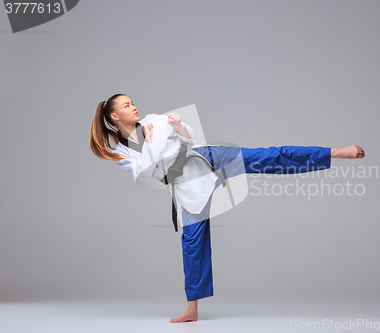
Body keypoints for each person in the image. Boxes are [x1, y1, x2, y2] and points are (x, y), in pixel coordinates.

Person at [89, 93, 365, 323]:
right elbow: (144, 176)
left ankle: (334, 152)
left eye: (131, 102)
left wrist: (177, 127)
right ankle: (192, 310)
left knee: (267, 156)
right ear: (115, 117)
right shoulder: (120, 151)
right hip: (186, 185)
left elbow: (187, 137)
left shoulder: (151, 120)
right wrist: (150, 142)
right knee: (191, 244)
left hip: (208, 157)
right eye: (126, 105)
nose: (134, 106)